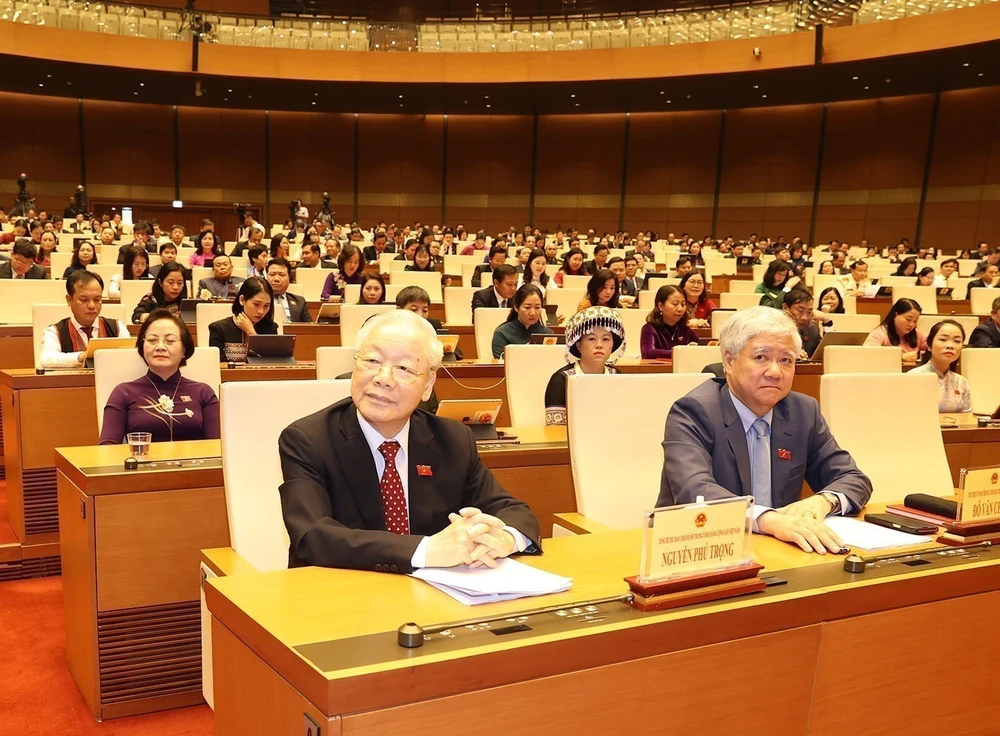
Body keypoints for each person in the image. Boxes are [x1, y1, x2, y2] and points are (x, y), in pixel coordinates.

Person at [277, 310, 541, 571]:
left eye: (404, 368)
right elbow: (312, 537)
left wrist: (503, 538)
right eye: (371, 361)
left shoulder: (453, 440)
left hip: (434, 598)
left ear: (428, 385)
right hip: (342, 596)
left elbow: (512, 510)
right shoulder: (307, 440)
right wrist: (426, 550)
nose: (383, 378)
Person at [658, 306, 872, 554]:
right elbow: (693, 491)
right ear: (728, 360)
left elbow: (853, 479)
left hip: (778, 552)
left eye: (786, 360)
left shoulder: (803, 411)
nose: (775, 372)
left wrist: (823, 501)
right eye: (761, 357)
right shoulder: (694, 411)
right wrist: (768, 519)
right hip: (696, 549)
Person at [98, 309, 220, 445]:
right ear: (142, 347)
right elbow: (107, 448)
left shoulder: (204, 393)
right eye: (152, 340)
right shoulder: (123, 392)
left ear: (185, 349)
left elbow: (217, 448)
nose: (160, 347)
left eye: (170, 340)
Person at [544, 307, 625, 426]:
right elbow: (555, 430)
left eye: (606, 339)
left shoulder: (618, 377)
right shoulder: (561, 380)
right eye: (592, 339)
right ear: (578, 345)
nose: (599, 345)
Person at [39, 271, 129, 369]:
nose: (91, 305)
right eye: (84, 299)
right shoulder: (55, 331)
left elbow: (131, 354)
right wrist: (82, 356)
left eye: (97, 299)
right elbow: (46, 359)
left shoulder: (117, 327)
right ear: (69, 300)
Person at [910, 320, 971, 413]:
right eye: (943, 339)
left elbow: (967, 418)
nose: (950, 346)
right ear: (929, 346)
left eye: (957, 341)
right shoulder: (913, 377)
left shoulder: (962, 382)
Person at [207, 277, 279, 352]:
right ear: (242, 300)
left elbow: (270, 361)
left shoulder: (270, 329)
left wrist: (251, 332)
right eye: (256, 304)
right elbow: (218, 362)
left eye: (266, 306)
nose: (261, 311)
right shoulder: (219, 329)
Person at [491, 284, 553, 359]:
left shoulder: (548, 334)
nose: (533, 313)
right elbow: (501, 364)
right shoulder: (502, 334)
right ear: (516, 307)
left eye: (537, 307)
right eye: (527, 307)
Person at [640, 285, 700, 359]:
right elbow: (647, 353)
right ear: (661, 306)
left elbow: (698, 345)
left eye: (683, 304)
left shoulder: (684, 329)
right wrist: (678, 352)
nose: (680, 309)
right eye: (675, 304)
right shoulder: (650, 329)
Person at [266, 258, 311, 323]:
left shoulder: (299, 301)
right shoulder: (259, 301)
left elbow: (309, 327)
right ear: (266, 277)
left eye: (282, 275)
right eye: (272, 274)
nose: (276, 279)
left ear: (289, 278)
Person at [782, 288, 821, 359]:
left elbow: (823, 355)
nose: (805, 317)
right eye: (800, 311)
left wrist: (827, 321)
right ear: (785, 308)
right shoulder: (773, 330)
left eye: (809, 312)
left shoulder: (812, 329)